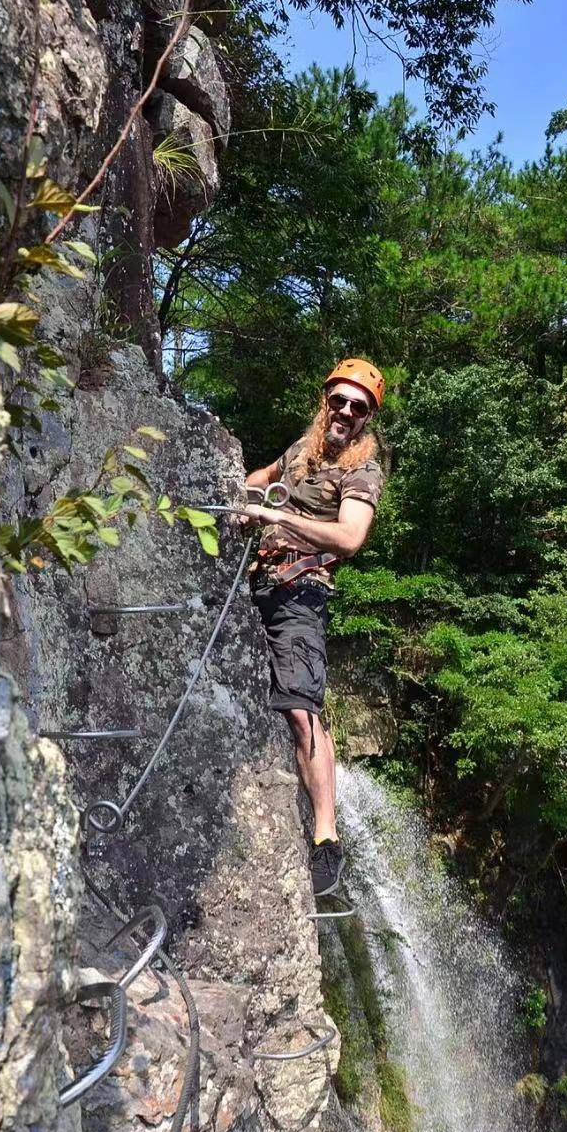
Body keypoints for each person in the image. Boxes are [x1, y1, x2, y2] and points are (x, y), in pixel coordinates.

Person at [239, 359, 386, 896]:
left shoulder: (362, 470)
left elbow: (349, 538)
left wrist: (279, 518)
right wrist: (243, 501)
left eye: (357, 407)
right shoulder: (302, 450)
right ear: (326, 400)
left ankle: (326, 836)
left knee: (302, 711)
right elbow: (256, 480)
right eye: (339, 400)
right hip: (257, 583)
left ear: (367, 418)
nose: (345, 411)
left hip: (301, 593)